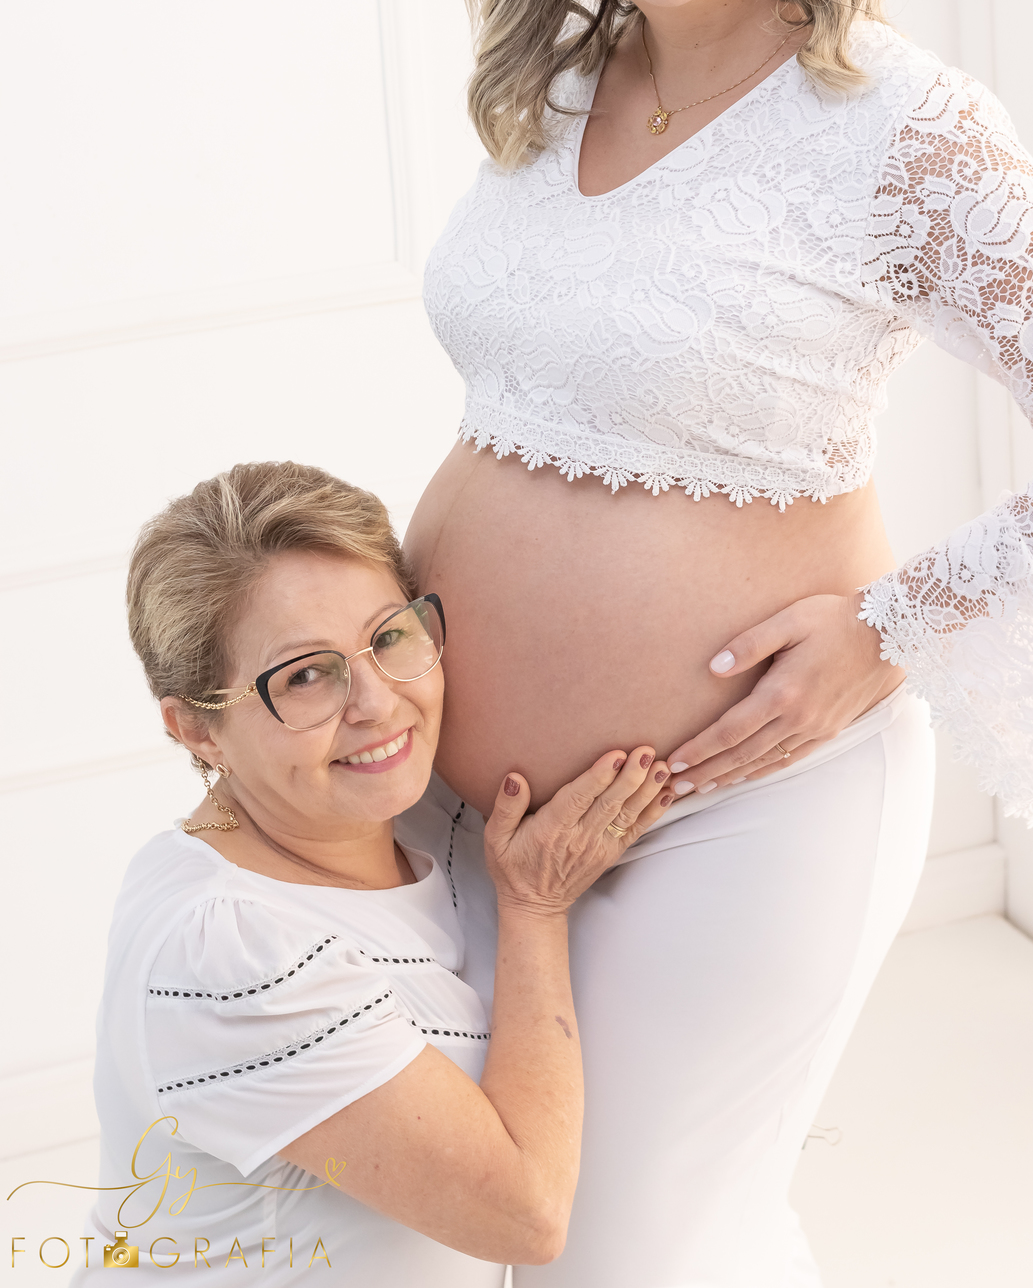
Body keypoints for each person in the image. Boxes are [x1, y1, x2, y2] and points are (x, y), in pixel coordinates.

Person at [405, 0, 1033, 1285]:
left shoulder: (897, 127)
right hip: (468, 813)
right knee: (467, 1221)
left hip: (734, 814)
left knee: (618, 1253)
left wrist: (894, 628)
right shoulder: (553, 92)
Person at [76, 461, 671, 1286]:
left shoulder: (401, 823)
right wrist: (535, 908)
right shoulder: (229, 950)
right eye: (307, 675)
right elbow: (522, 1213)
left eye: (390, 637)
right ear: (199, 732)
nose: (379, 704)